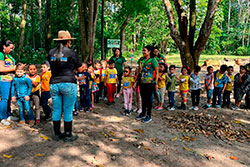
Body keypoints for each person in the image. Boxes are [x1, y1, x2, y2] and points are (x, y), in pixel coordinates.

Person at [48, 30, 82, 142]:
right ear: (68, 41)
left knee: (56, 109)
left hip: (54, 83)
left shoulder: (51, 52)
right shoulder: (71, 53)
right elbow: (80, 69)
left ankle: (57, 134)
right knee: (68, 110)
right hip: (68, 83)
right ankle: (68, 135)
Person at [135, 45, 159, 123]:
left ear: (149, 51)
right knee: (143, 98)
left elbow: (157, 72)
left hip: (150, 83)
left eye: (144, 50)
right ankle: (143, 113)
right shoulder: (141, 60)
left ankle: (149, 115)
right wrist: (136, 81)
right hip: (142, 82)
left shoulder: (153, 60)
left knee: (149, 99)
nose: (143, 52)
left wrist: (156, 83)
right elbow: (138, 70)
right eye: (143, 50)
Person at [0, 40, 16, 126]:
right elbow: (1, 69)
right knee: (4, 99)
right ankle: (2, 117)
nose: (11, 49)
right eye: (10, 48)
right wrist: (14, 69)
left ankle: (8, 115)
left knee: (9, 98)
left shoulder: (8, 55)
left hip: (10, 79)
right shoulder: (1, 55)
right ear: (4, 47)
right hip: (3, 80)